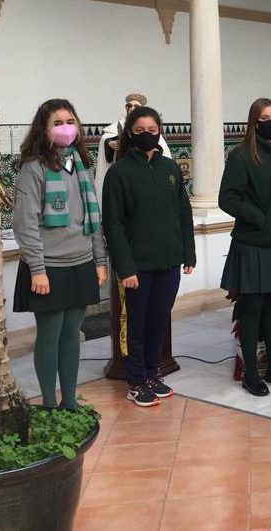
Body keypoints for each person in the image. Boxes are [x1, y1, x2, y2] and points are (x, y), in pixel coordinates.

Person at [12, 99, 107, 410]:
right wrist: (37, 269)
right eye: (57, 123)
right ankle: (50, 403)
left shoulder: (80, 164)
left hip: (81, 263)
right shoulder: (33, 168)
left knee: (72, 334)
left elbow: (93, 217)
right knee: (50, 335)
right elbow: (25, 223)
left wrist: (99, 260)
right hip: (49, 267)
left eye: (70, 121)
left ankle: (69, 400)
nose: (66, 128)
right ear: (43, 129)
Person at [102, 106, 195, 408]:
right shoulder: (119, 173)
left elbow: (183, 212)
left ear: (160, 132)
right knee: (136, 326)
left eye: (152, 130)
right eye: (140, 130)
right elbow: (113, 224)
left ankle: (152, 373)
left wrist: (188, 253)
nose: (147, 135)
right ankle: (136, 381)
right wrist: (125, 267)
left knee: (158, 322)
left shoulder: (170, 169)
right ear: (130, 133)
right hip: (136, 267)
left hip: (168, 262)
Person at [219, 98, 271, 397]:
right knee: (251, 310)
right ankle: (251, 375)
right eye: (266, 117)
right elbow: (227, 198)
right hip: (253, 243)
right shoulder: (241, 155)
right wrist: (259, 218)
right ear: (254, 122)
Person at [94, 93, 171, 200]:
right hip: (124, 171)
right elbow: (105, 138)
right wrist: (109, 143)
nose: (132, 108)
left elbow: (160, 147)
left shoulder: (171, 167)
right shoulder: (116, 126)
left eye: (136, 106)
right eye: (129, 106)